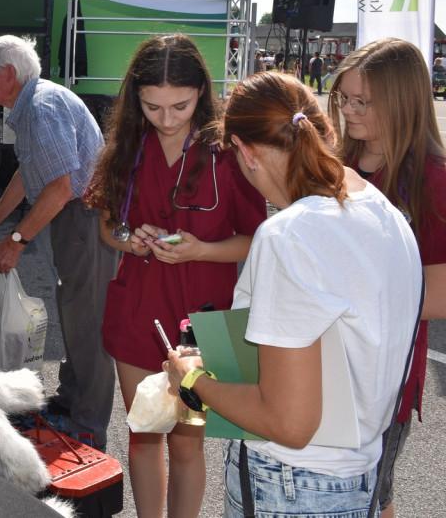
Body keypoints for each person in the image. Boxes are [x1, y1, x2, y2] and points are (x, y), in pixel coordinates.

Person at [165, 71, 422, 517]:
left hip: (291, 484)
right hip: (358, 477)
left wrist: (192, 381)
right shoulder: (383, 210)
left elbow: (289, 423)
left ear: (245, 152)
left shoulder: (290, 235)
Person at [85, 34, 266, 518]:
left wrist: (202, 250)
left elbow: (259, 239)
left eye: (180, 106)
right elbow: (108, 226)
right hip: (138, 312)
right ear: (135, 98)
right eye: (152, 107)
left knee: (186, 445)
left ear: (201, 94)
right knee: (144, 436)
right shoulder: (127, 146)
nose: (166, 119)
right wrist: (129, 239)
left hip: (199, 325)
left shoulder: (229, 153)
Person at [0, 34, 119, 449]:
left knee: (88, 322)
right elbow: (29, 175)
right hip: (78, 218)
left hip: (85, 218)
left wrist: (14, 240)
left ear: (8, 74)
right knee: (75, 314)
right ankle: (68, 406)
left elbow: (60, 188)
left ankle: (87, 426)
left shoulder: (42, 107)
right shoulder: (32, 103)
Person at [328, 37, 446, 517]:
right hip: (324, 364)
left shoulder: (432, 181)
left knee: (369, 496)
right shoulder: (335, 166)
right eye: (344, 98)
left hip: (382, 377)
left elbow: (438, 296)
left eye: (363, 102)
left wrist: (347, 299)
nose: (349, 111)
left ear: (402, 102)